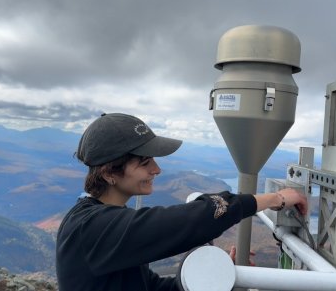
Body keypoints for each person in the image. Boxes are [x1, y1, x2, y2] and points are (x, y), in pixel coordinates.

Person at [56, 113, 308, 291]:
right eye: (145, 162)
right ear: (109, 173)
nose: (156, 169)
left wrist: (211, 273)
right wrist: (275, 198)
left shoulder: (104, 225)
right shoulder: (90, 229)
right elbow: (193, 219)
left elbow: (151, 287)